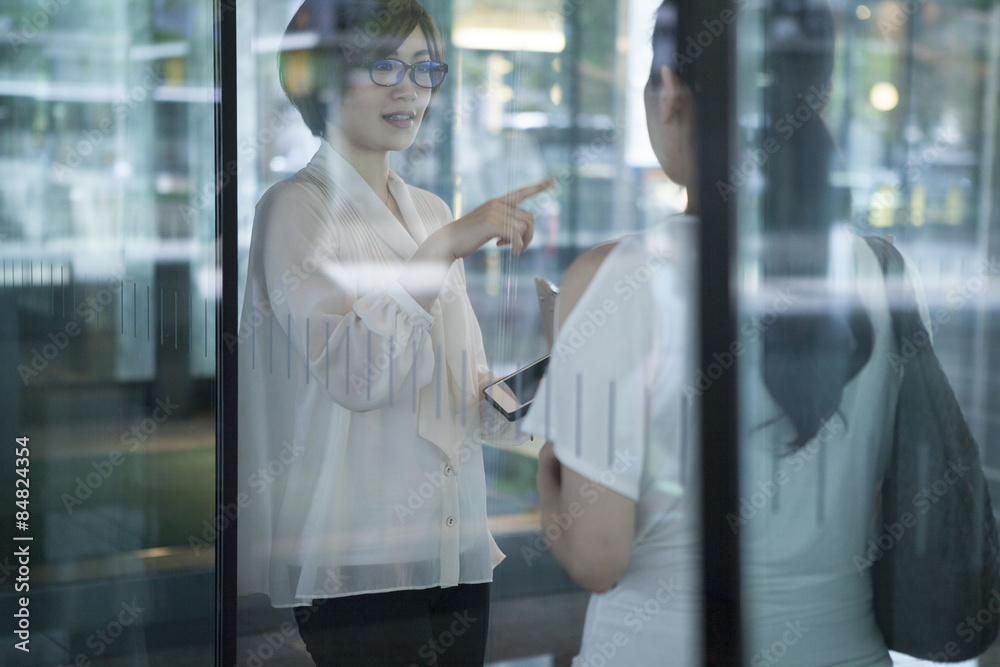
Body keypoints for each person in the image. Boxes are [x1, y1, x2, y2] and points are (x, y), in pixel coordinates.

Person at [524, 0, 933, 665]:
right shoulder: (875, 267)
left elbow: (598, 558)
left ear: (673, 93)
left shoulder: (616, 276)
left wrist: (551, 473)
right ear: (822, 95)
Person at [236, 1, 552, 664]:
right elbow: (355, 376)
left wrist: (543, 376)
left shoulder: (427, 211)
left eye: (423, 68)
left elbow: (460, 400)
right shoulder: (297, 208)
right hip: (359, 565)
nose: (408, 87)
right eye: (382, 65)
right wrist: (444, 248)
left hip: (454, 547)